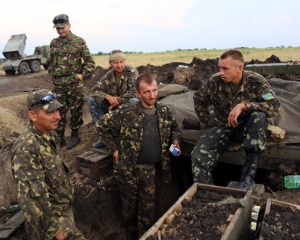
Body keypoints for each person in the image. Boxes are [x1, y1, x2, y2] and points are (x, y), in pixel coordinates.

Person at [96, 73, 181, 238]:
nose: (152, 95)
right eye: (147, 92)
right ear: (138, 94)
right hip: (128, 170)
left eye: (154, 90)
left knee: (147, 209)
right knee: (129, 207)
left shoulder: (164, 111)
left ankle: (145, 235)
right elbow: (101, 125)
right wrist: (113, 148)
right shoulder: (127, 112)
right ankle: (130, 234)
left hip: (149, 171)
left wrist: (175, 140)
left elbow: (174, 128)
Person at [191, 49, 280, 190]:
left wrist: (244, 106)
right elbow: (199, 99)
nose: (221, 72)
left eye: (225, 68)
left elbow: (274, 106)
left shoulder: (256, 82)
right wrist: (208, 120)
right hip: (221, 124)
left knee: (259, 117)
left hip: (246, 126)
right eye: (220, 67)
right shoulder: (215, 81)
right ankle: (205, 194)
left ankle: (247, 178)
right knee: (198, 156)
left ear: (240, 68)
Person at [11, 89, 86, 240]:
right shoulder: (26, 149)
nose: (58, 116)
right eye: (50, 112)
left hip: (64, 213)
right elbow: (32, 199)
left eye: (57, 111)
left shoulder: (47, 135)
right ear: (33, 115)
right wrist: (53, 230)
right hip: (55, 223)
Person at [49, 14, 95, 150]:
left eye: (62, 27)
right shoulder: (54, 43)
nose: (60, 30)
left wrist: (82, 76)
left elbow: (90, 63)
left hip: (75, 83)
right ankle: (60, 136)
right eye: (57, 28)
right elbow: (50, 62)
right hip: (59, 84)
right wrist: (52, 74)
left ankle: (75, 135)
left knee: (76, 109)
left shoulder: (79, 42)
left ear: (69, 25)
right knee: (58, 109)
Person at [89, 49, 139, 148]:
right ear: (110, 63)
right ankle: (105, 136)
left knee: (134, 101)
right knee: (92, 101)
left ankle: (130, 136)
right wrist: (108, 97)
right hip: (113, 107)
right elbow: (94, 91)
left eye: (121, 62)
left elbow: (134, 92)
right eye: (115, 62)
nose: (119, 65)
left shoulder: (131, 72)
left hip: (126, 106)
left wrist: (117, 101)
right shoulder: (108, 76)